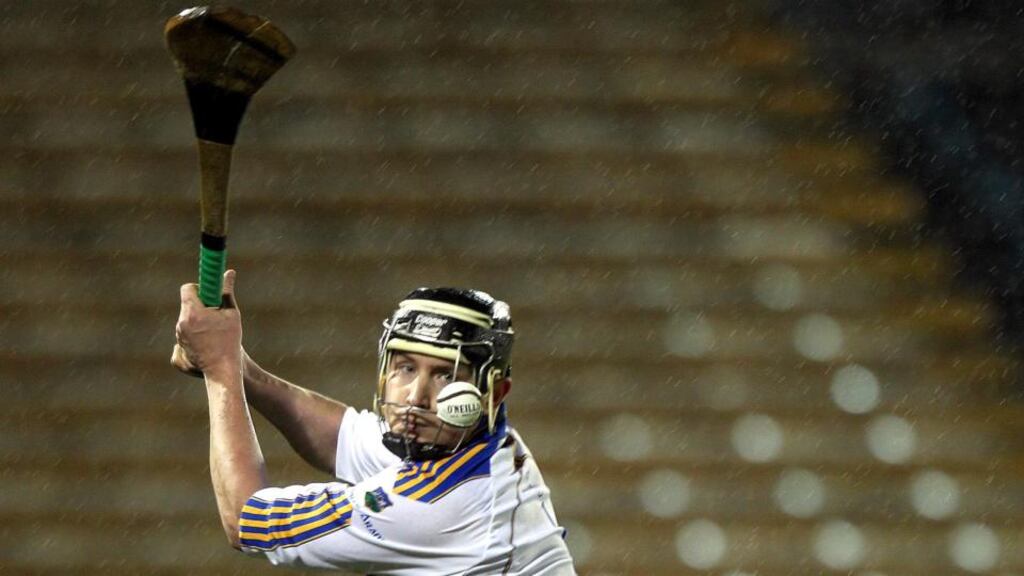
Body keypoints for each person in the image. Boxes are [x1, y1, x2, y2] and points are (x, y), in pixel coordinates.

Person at [171, 270, 576, 575]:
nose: (416, 396)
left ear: (495, 392)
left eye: (445, 375)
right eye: (405, 367)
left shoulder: (433, 506)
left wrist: (219, 368)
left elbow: (245, 521)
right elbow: (341, 439)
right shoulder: (476, 445)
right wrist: (238, 367)